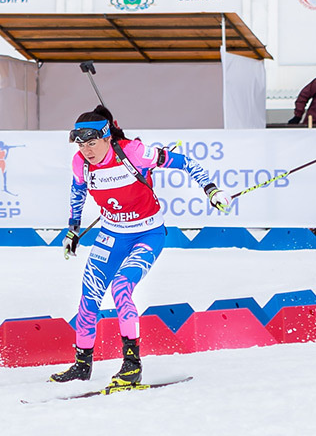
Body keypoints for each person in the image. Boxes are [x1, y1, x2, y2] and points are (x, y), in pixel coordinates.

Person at [53, 105, 228, 393]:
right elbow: (77, 192)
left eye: (92, 142)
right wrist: (73, 229)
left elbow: (183, 162)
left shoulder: (133, 152)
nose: (87, 149)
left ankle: (132, 366)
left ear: (107, 137)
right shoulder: (80, 163)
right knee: (89, 295)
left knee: (121, 287)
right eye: (81, 144)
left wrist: (211, 190)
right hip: (111, 235)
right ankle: (82, 365)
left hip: (147, 234)